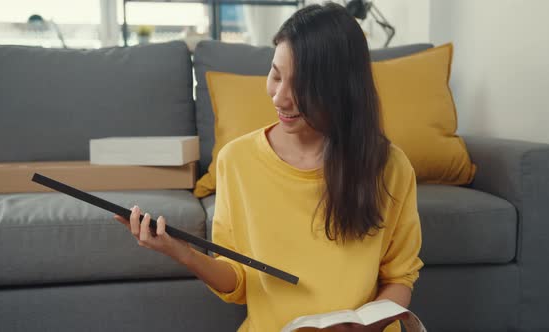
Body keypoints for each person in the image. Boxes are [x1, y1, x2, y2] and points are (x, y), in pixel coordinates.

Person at [114, 3, 423, 332]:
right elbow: (238, 280)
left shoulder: (390, 167)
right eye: (276, 74)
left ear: (340, 90)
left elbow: (399, 277)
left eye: (301, 85)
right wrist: (182, 253)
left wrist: (365, 328)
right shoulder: (237, 160)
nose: (280, 97)